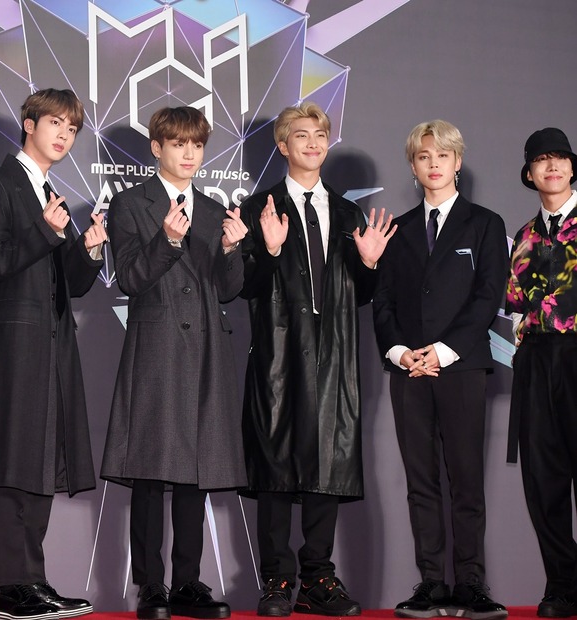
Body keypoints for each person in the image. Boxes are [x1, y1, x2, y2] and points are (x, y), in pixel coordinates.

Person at [238, 102, 395, 617]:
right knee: (276, 464)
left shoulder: (349, 215)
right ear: (282, 145)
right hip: (278, 356)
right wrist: (270, 252)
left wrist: (369, 264)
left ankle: (318, 578)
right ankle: (277, 579)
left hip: (335, 356)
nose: (312, 143)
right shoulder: (258, 207)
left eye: (320, 135)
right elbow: (243, 287)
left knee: (329, 461)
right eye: (301, 135)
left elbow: (363, 294)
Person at [101, 105, 248, 620]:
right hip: (156, 346)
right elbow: (129, 278)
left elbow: (228, 290)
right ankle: (151, 586)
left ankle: (188, 582)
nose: (189, 154)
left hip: (205, 349)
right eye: (179, 144)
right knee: (149, 468)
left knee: (195, 471)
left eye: (197, 145)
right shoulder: (129, 204)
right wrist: (166, 240)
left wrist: (231, 250)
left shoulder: (212, 208)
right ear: (156, 147)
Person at [0, 87, 106, 620]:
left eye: (72, 129)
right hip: (10, 345)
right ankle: (14, 587)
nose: (64, 136)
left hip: (53, 344)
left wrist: (88, 249)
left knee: (42, 461)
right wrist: (46, 232)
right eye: (55, 124)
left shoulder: (52, 196)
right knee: (11, 462)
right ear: (29, 124)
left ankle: (30, 581)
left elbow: (72, 283)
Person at [372, 120, 508, 619]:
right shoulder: (398, 228)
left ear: (458, 162)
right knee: (421, 481)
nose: (434, 164)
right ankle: (431, 582)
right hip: (409, 371)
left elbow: (488, 295)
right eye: (424, 156)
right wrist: (400, 352)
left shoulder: (485, 223)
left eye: (443, 156)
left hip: (461, 367)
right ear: (413, 166)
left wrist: (444, 350)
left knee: (467, 481)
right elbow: (383, 300)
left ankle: (470, 582)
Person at [506, 127, 577, 618]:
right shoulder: (525, 234)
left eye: (560, 158)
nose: (552, 166)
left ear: (572, 168)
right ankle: (562, 585)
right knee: (543, 478)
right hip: (535, 360)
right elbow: (514, 302)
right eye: (542, 160)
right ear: (530, 173)